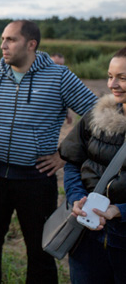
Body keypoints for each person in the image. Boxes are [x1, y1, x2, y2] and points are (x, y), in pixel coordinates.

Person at [0, 20, 98, 283]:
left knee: (40, 252)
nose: (3, 46)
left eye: (11, 40)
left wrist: (64, 155)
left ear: (31, 44)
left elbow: (96, 114)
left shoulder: (59, 77)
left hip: (35, 180)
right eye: (2, 39)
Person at [59, 47, 126, 284]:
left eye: (122, 77)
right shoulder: (96, 116)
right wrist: (77, 198)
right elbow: (73, 162)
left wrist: (120, 210)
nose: (112, 84)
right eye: (110, 76)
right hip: (87, 236)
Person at [51, 53, 73, 124]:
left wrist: (67, 113)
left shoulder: (62, 80)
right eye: (56, 64)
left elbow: (63, 98)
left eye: (61, 65)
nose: (59, 67)